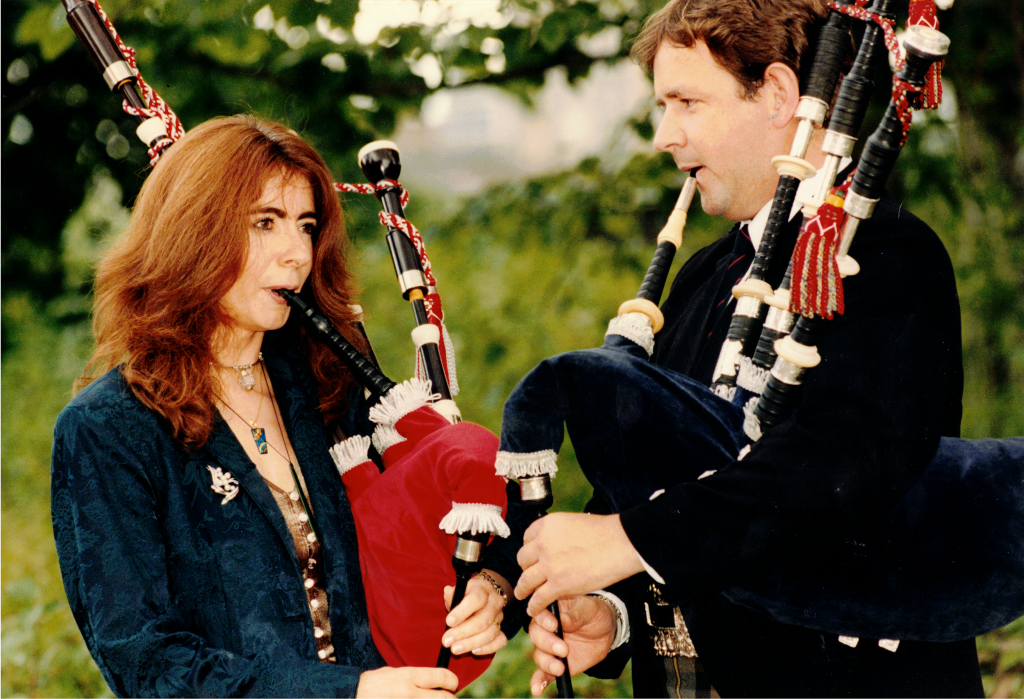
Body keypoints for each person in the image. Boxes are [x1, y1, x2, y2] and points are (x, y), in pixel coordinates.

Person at [514, 0, 985, 696]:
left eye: (687, 102)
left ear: (778, 96)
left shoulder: (885, 257)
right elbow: (657, 487)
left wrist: (622, 539)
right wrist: (609, 611)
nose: (664, 136)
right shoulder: (706, 275)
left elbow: (834, 470)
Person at [51, 115, 517, 698]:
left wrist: (491, 589)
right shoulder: (109, 428)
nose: (297, 252)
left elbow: (476, 514)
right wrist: (352, 693)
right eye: (264, 223)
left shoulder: (329, 389)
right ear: (194, 231)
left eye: (305, 225)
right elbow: (146, 662)